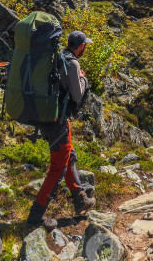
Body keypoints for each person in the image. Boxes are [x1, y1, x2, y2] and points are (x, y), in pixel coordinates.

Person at [26, 31, 96, 229]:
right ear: (81, 46)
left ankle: (80, 198)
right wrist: (83, 79)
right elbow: (76, 95)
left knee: (68, 155)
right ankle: (34, 218)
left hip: (46, 117)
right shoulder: (72, 63)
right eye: (85, 46)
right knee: (58, 169)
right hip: (57, 121)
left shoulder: (55, 57)